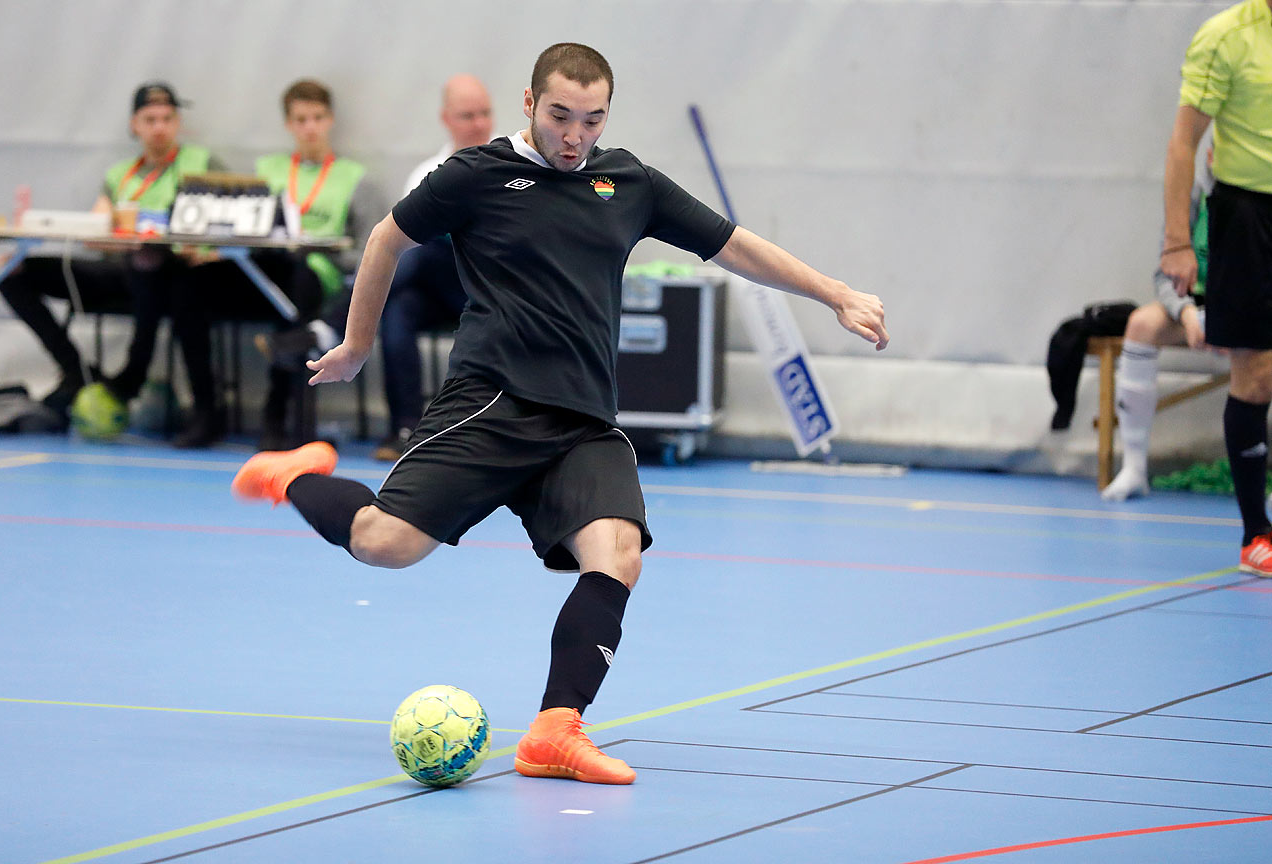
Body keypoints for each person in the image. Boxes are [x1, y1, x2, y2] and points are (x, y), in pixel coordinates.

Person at [231, 43, 888, 783]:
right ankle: (294, 476)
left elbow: (733, 246)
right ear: (529, 103)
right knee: (386, 544)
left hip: (583, 420)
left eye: (592, 119)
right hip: (492, 403)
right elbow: (386, 237)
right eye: (560, 116)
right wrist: (356, 343)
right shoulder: (476, 175)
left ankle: (553, 732)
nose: (575, 136)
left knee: (618, 554)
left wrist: (835, 293)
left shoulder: (628, 181)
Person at [0, 82, 220, 426]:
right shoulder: (120, 175)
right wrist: (124, 238)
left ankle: (132, 377)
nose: (159, 127)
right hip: (119, 270)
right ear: (135, 125)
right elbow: (95, 234)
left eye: (166, 118)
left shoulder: (201, 164)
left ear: (177, 123)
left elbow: (223, 225)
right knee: (9, 271)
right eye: (150, 119)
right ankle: (76, 370)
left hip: (174, 274)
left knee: (153, 263)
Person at [168, 79, 376, 449]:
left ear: (329, 120)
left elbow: (367, 250)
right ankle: (205, 409)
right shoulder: (268, 170)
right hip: (262, 268)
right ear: (289, 125)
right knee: (188, 287)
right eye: (300, 119)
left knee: (298, 282)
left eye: (317, 117)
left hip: (314, 275)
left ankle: (276, 415)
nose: (309, 127)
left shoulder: (353, 177)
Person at [1160, 0, 1272, 576]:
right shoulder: (1226, 38)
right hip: (1247, 218)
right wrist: (1178, 243)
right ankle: (1256, 534)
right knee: (1254, 375)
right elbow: (1183, 144)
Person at [374, 74, 493, 460]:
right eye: (467, 115)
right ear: (446, 118)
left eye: (484, 113)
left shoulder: (511, 168)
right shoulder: (426, 173)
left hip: (486, 290)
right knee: (397, 312)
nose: (478, 124)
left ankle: (331, 322)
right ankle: (405, 428)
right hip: (432, 289)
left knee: (422, 251)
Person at [1101, 143, 1213, 501]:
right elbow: (1164, 274)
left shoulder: (1257, 201)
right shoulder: (1192, 197)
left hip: (1248, 312)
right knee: (1141, 324)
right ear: (1211, 157)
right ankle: (1134, 468)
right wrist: (1187, 313)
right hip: (1194, 310)